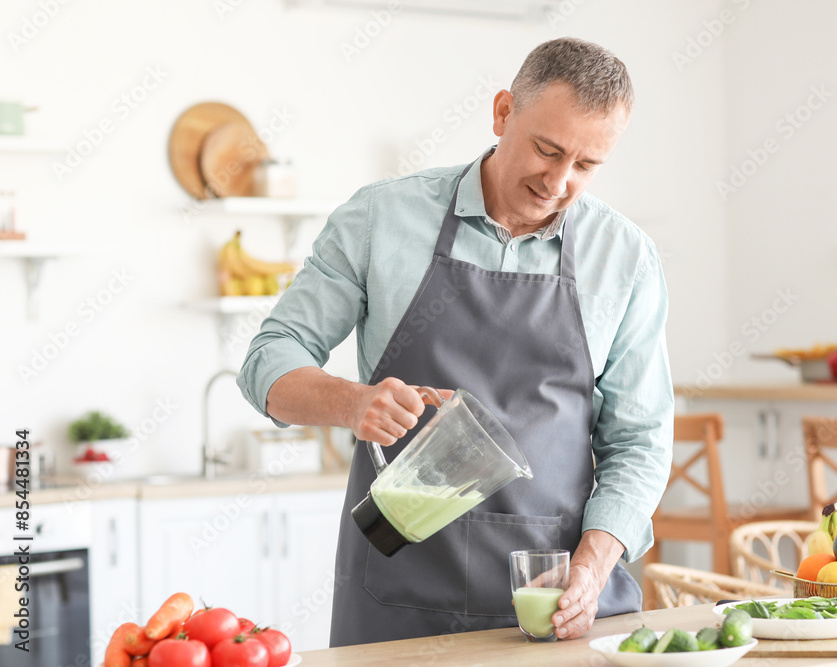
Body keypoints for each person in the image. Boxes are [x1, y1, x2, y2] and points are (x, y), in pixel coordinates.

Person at [236, 37, 673, 647]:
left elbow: (640, 442)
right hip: (397, 603)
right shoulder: (380, 220)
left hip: (557, 605)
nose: (559, 181)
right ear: (502, 113)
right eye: (547, 150)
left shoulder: (623, 257)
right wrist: (352, 403)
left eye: (586, 165)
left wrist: (594, 567)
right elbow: (267, 362)